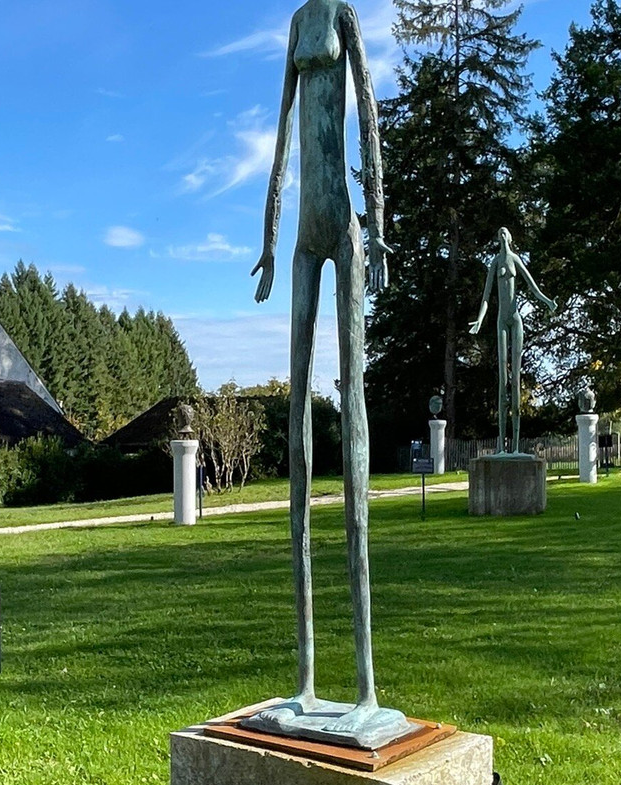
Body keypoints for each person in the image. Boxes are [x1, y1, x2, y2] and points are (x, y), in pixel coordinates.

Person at [248, 0, 393, 738]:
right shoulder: (299, 20)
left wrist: (383, 227)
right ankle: (305, 678)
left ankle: (365, 684)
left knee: (353, 425)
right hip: (305, 232)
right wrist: (269, 238)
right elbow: (280, 135)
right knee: (299, 445)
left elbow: (368, 114)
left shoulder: (343, 14)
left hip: (345, 226)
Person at [469, 227, 557, 454]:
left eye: (505, 233)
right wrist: (480, 319)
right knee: (503, 380)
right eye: (499, 233)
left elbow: (532, 287)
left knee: (515, 381)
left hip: (516, 320)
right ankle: (502, 446)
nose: (502, 235)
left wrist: (547, 302)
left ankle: (516, 447)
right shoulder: (495, 262)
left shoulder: (515, 259)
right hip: (501, 320)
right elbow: (486, 296)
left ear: (510, 237)